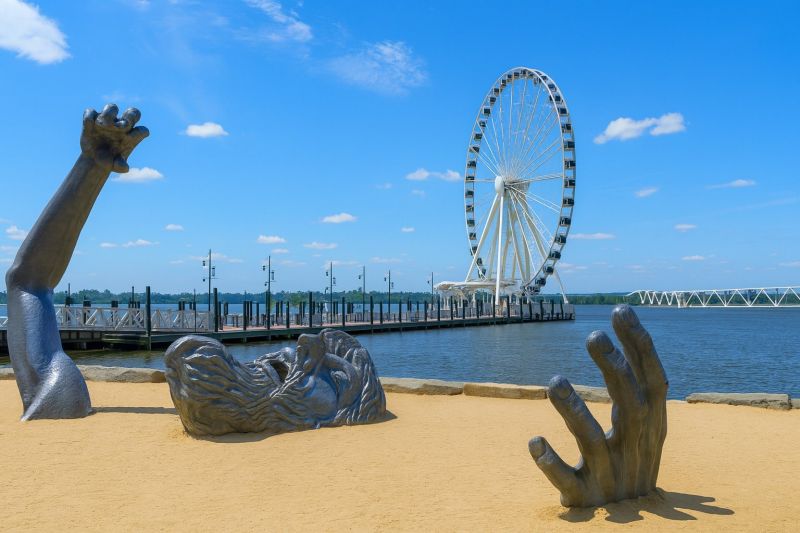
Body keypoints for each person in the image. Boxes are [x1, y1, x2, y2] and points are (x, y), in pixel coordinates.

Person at [5, 104, 148, 420]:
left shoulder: (53, 384)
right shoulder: (54, 384)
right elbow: (29, 279)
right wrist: (93, 166)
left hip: (56, 390)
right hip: (57, 390)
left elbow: (29, 279)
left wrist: (91, 165)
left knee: (24, 282)